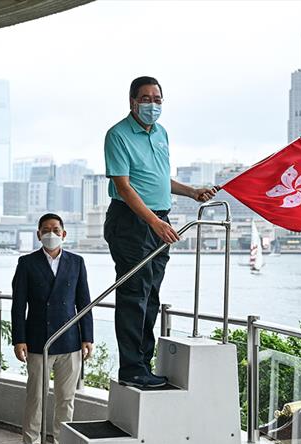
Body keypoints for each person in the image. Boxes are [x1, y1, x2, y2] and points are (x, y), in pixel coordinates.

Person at [103, 76, 214, 388]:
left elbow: (161, 179)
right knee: (133, 294)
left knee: (150, 293)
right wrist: (153, 221)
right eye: (146, 98)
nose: (153, 104)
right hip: (131, 222)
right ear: (132, 102)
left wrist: (192, 192)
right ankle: (131, 369)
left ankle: (144, 364)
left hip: (158, 220)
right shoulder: (118, 135)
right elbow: (124, 187)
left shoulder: (162, 133)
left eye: (157, 99)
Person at [12, 213, 94, 444]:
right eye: (46, 229)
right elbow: (18, 305)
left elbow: (84, 303)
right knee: (35, 396)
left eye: (55, 229)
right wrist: (19, 339)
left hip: (70, 340)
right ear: (38, 234)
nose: (51, 233)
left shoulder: (77, 262)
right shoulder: (26, 263)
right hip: (37, 340)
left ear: (64, 233)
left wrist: (87, 338)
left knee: (65, 398)